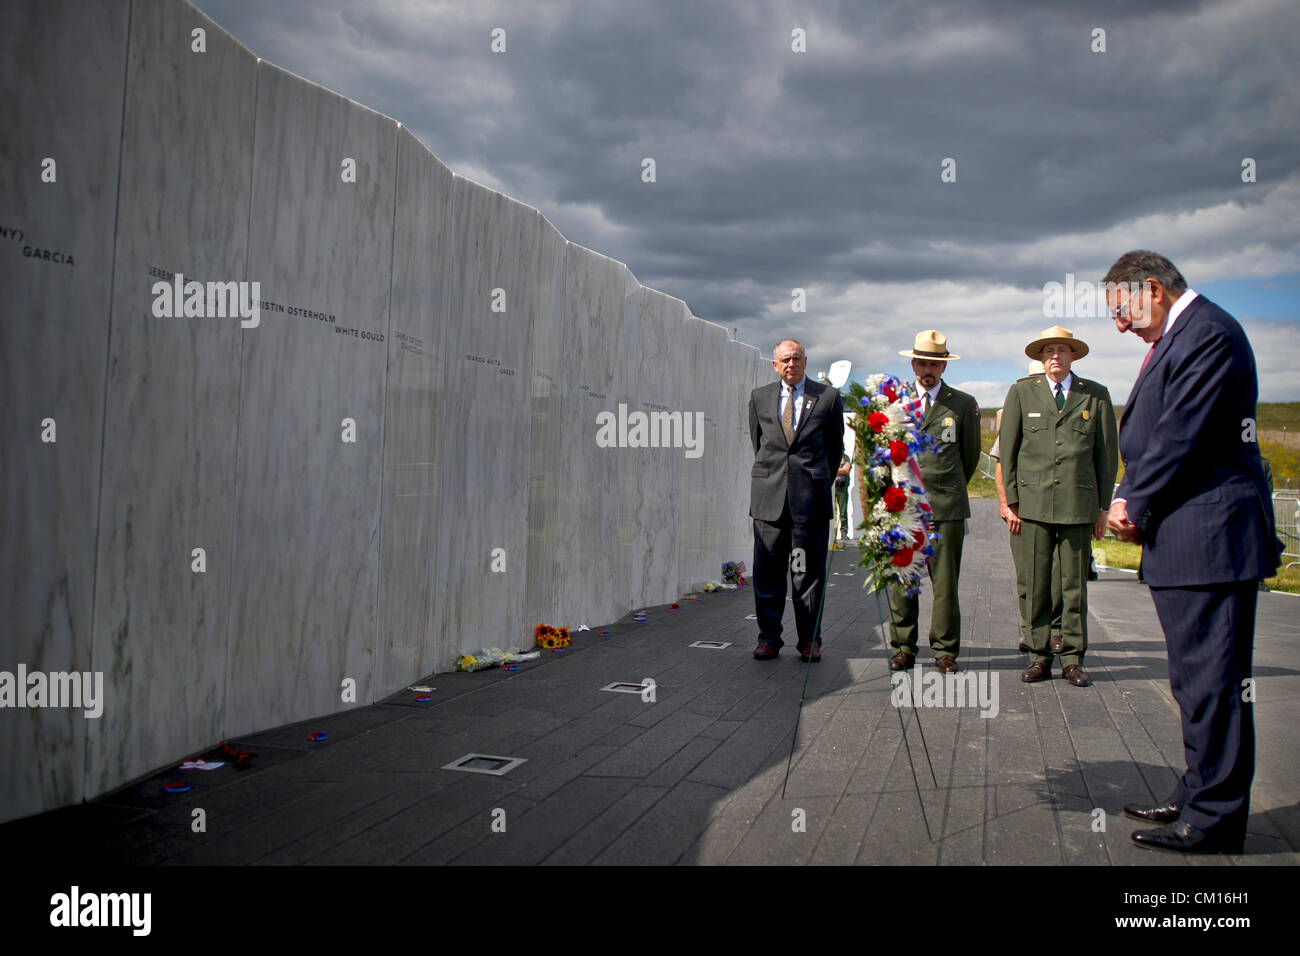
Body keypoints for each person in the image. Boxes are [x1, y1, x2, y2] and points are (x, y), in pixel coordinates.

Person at [1104, 250, 1279, 854]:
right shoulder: (1185, 334)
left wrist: (1131, 502)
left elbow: (1182, 433)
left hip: (1211, 537)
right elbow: (1153, 433)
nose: (1119, 325)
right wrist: (1131, 489)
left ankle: (1215, 819)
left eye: (1120, 310)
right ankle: (1198, 788)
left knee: (1215, 682)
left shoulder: (1208, 334)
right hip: (1188, 536)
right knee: (1195, 681)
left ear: (1151, 288)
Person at [999, 326, 1117, 687]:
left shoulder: (1095, 396)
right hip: (1032, 505)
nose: (1055, 357)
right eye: (1048, 351)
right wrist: (1012, 502)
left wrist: (1102, 508)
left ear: (1073, 356)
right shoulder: (1022, 393)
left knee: (1073, 586)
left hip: (1077, 505)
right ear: (1040, 358)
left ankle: (1072, 658)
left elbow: (1107, 456)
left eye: (1062, 351)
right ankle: (1038, 656)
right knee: (1035, 584)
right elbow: (1009, 450)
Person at [887, 331, 980, 674]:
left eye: (935, 363)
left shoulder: (962, 404)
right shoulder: (895, 403)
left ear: (943, 366)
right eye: (923, 362)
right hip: (905, 510)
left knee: (945, 584)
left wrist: (947, 488)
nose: (928, 369)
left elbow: (968, 457)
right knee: (903, 581)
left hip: (946, 508)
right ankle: (903, 647)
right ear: (913, 364)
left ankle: (944, 650)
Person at [749, 339, 845, 662]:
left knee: (806, 574)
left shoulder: (828, 398)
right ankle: (768, 638)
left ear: (806, 361)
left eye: (796, 358)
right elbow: (759, 443)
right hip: (769, 501)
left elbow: (834, 450)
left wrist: (815, 480)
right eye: (784, 360)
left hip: (810, 504)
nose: (791, 364)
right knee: (768, 573)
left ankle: (809, 640)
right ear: (775, 366)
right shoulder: (759, 398)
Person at [992, 362, 1062, 655]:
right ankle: (1031, 629)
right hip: (1025, 508)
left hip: (1060, 505)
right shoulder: (1017, 413)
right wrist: (1006, 504)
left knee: (1059, 576)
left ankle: (1056, 631)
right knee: (1027, 574)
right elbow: (1001, 463)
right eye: (1035, 379)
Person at [834, 451, 852, 544]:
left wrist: (834, 469)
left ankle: (844, 533)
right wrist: (839, 469)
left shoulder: (846, 457)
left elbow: (846, 470)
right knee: (831, 512)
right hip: (832, 487)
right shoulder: (832, 456)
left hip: (842, 487)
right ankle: (832, 534)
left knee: (843, 511)